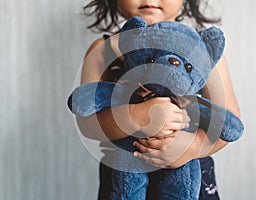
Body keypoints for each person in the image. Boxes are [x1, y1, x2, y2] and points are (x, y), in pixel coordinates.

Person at [73, 0, 241, 199]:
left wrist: (193, 146)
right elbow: (87, 122)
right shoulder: (103, 49)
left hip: (189, 178)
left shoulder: (201, 50)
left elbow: (228, 120)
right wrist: (137, 116)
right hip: (124, 175)